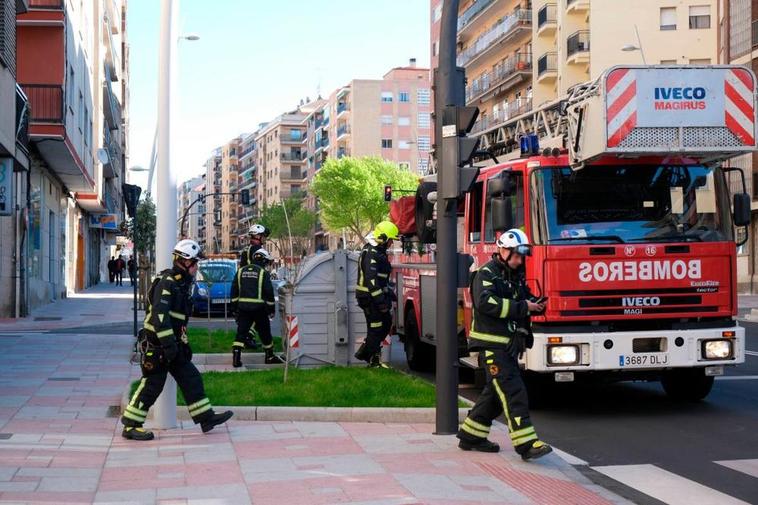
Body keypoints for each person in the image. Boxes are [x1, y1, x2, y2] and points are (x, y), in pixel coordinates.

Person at [121, 239, 233, 440]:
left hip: (171, 345)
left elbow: (178, 321)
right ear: (185, 261)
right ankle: (130, 425)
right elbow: (160, 319)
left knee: (191, 377)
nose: (197, 267)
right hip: (157, 346)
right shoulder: (167, 283)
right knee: (152, 384)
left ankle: (206, 418)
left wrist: (183, 344)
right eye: (195, 263)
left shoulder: (181, 285)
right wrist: (170, 346)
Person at [457, 229, 552, 461]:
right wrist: (523, 308)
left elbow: (523, 302)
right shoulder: (485, 273)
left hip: (506, 347)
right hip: (492, 347)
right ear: (503, 250)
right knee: (512, 391)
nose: (520, 261)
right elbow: (485, 303)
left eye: (522, 256)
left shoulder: (513, 276)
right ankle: (527, 444)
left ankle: (471, 435)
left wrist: (535, 307)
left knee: (494, 395)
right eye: (517, 255)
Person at [354, 221, 399, 368]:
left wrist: (389, 293)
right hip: (369, 298)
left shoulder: (376, 252)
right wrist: (381, 303)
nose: (392, 244)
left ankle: (368, 354)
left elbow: (380, 280)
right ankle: (372, 360)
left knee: (384, 324)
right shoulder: (372, 254)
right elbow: (372, 281)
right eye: (391, 240)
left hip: (373, 297)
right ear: (383, 238)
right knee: (376, 327)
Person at [230, 248, 283, 366]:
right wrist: (271, 310)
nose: (268, 265)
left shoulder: (240, 271)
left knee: (241, 333)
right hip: (259, 309)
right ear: (264, 261)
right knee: (265, 333)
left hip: (243, 308)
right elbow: (269, 292)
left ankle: (236, 358)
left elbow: (234, 290)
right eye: (267, 262)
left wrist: (234, 308)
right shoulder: (263, 273)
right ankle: (269, 356)